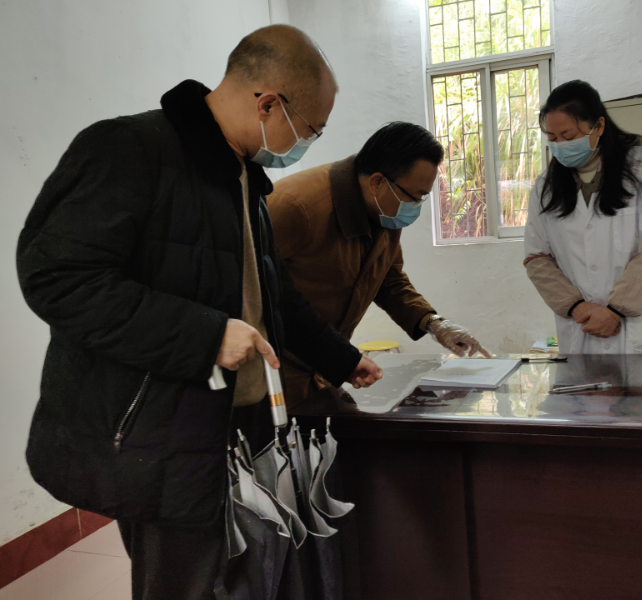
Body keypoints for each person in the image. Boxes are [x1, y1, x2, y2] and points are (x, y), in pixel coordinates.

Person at [16, 25, 382, 600]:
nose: (306, 143)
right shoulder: (130, 149)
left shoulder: (244, 177)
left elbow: (272, 294)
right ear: (268, 103)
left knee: (241, 578)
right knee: (183, 584)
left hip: (236, 426)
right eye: (311, 129)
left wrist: (342, 358)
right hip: (162, 434)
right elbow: (57, 278)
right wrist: (206, 336)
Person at [267, 122, 490, 407]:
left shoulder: (384, 211)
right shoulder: (294, 207)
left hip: (324, 366)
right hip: (274, 372)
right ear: (377, 182)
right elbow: (263, 295)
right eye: (415, 196)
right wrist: (341, 358)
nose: (416, 205)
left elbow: (388, 279)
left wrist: (434, 323)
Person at [523, 80, 642, 354]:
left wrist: (615, 310)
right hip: (582, 325)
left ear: (598, 126)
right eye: (552, 138)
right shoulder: (546, 188)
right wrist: (577, 307)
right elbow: (537, 258)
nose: (560, 145)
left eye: (568, 136)